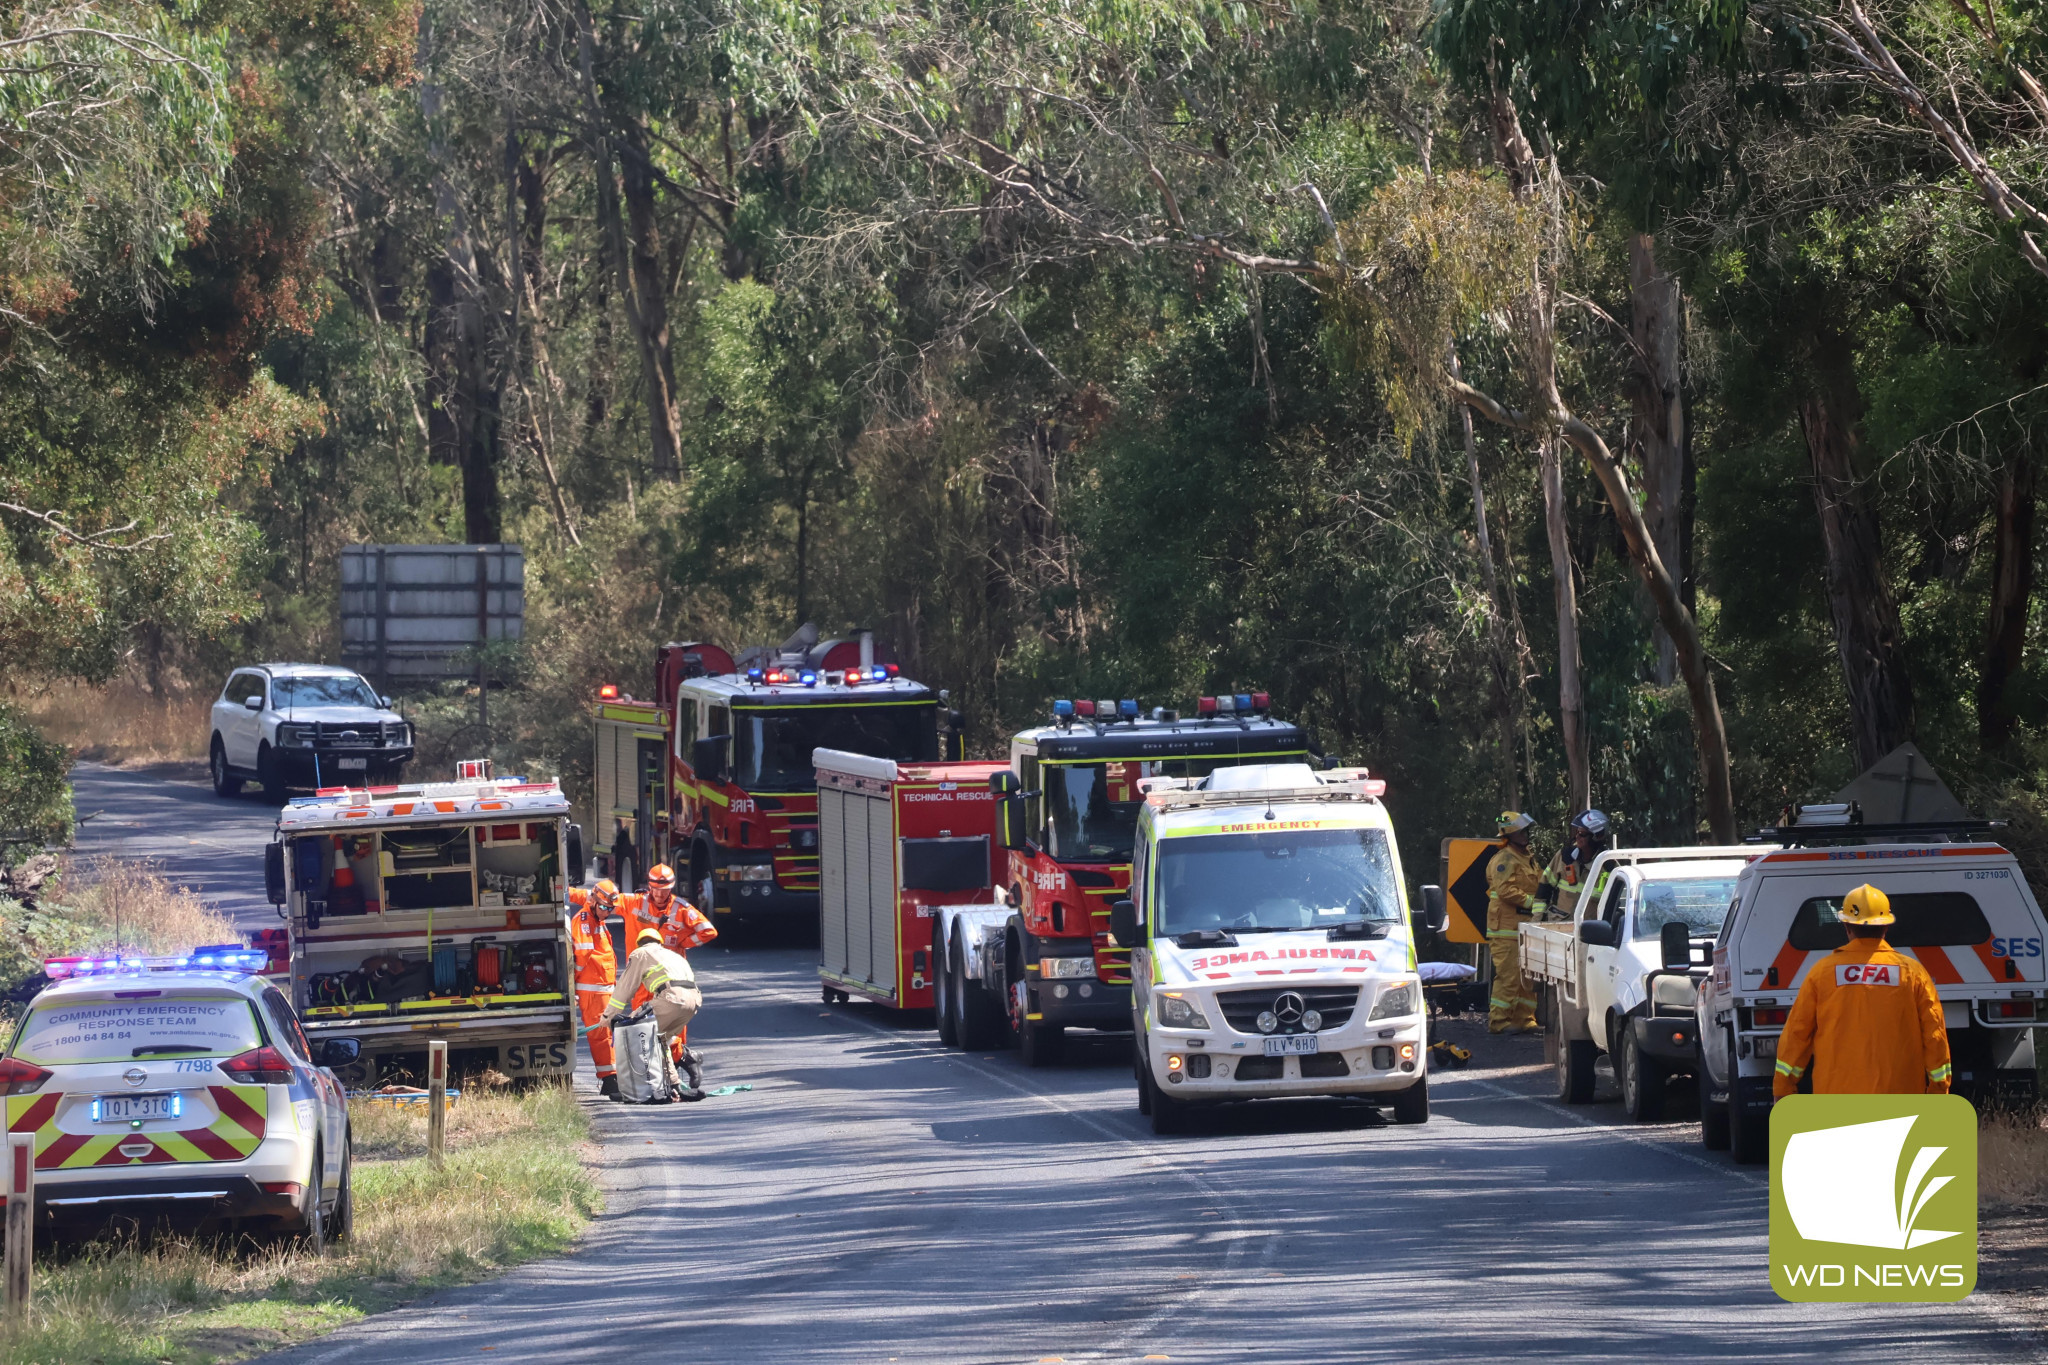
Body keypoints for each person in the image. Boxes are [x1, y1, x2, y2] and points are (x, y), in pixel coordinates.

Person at [1772, 884, 1951, 1100]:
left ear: (1847, 926)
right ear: (1886, 927)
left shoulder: (1822, 973)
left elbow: (1797, 1035)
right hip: (1901, 1101)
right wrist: (1938, 1090)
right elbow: (1935, 1036)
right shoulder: (1912, 973)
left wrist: (1783, 1088)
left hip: (1837, 1103)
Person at [613, 863, 718, 1089]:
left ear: (671, 888)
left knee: (671, 1028)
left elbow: (708, 931)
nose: (660, 894)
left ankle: (678, 1064)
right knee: (643, 1024)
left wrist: (683, 942)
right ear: (649, 887)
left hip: (669, 978)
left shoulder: (681, 909)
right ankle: (672, 1068)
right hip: (644, 976)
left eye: (665, 889)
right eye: (655, 889)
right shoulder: (634, 902)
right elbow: (603, 900)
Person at [603, 928, 706, 1102]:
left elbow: (625, 988)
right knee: (661, 1039)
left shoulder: (640, 953)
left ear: (640, 943)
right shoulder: (673, 955)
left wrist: (608, 1017)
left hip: (672, 998)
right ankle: (674, 1086)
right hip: (693, 1001)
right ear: (659, 942)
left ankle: (640, 1089)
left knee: (634, 1030)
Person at [1485, 811, 1543, 1034]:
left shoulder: (1527, 857)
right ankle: (1499, 1022)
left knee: (1528, 977)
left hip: (1526, 927)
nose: (1526, 835)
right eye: (1522, 831)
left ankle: (1524, 1019)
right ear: (1512, 834)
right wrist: (1534, 903)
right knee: (1509, 976)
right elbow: (1505, 889)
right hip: (1506, 929)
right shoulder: (1505, 859)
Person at [564, 878, 621, 1099]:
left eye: (611, 908)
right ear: (595, 902)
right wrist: (574, 987)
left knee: (606, 1033)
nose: (608, 912)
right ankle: (609, 1079)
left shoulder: (597, 920)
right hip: (592, 990)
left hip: (601, 988)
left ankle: (612, 1077)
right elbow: (581, 955)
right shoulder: (585, 921)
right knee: (601, 1034)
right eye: (605, 907)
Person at [1530, 809, 1611, 921]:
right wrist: (1536, 921)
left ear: (1596, 836)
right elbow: (1544, 888)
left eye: (1582, 834)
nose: (1577, 837)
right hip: (1557, 926)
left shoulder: (1608, 866)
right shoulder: (1565, 856)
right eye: (1577, 832)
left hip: (1588, 932)